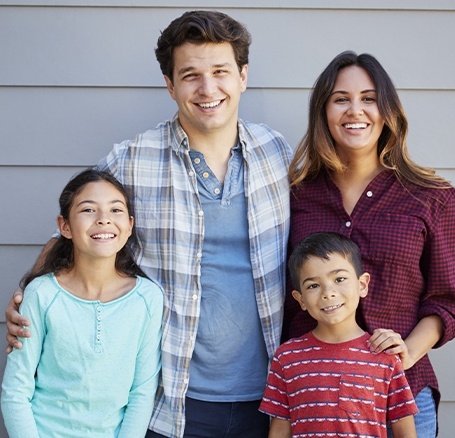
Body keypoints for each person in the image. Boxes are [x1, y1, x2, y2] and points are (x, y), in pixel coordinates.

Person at [5, 10, 291, 438]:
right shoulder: (132, 159)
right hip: (170, 399)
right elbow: (76, 231)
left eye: (220, 72)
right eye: (191, 74)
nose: (207, 88)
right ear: (170, 84)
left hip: (270, 393)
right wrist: (26, 295)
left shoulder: (277, 153)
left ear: (242, 76)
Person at [283, 51, 455, 437]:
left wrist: (407, 353)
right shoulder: (294, 195)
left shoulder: (433, 197)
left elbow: (446, 302)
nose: (356, 111)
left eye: (369, 98)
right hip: (314, 398)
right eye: (340, 99)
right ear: (324, 111)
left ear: (387, 111)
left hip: (402, 397)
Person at [1, 169, 164, 438]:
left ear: (130, 225)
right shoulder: (41, 294)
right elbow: (15, 391)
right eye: (88, 210)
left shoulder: (147, 299)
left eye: (115, 210)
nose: (103, 220)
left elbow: (142, 393)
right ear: (64, 226)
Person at [260, 232, 418, 437]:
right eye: (313, 285)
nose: (328, 292)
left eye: (339, 279)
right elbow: (280, 430)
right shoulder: (286, 358)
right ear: (300, 300)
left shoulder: (384, 355)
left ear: (362, 285)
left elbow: (405, 432)